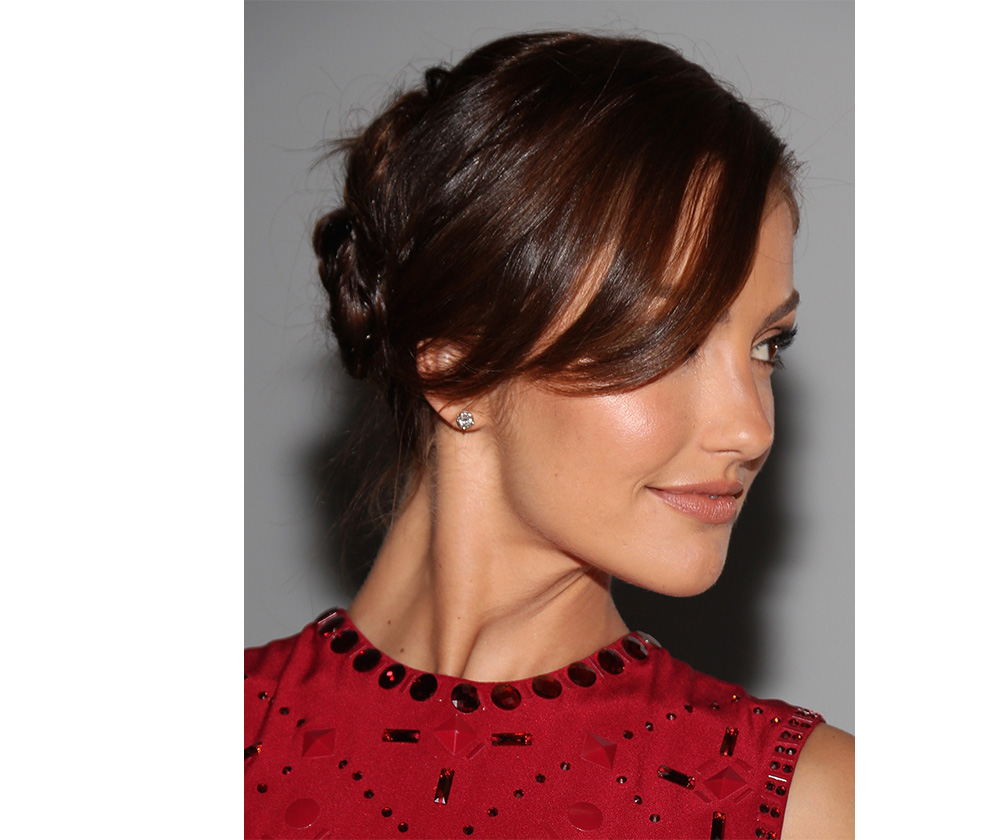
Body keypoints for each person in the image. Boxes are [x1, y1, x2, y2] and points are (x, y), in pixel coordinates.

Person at [245, 31, 853, 839]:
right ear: (454, 364)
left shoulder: (817, 804)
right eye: (670, 341)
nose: (750, 428)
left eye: (768, 346)